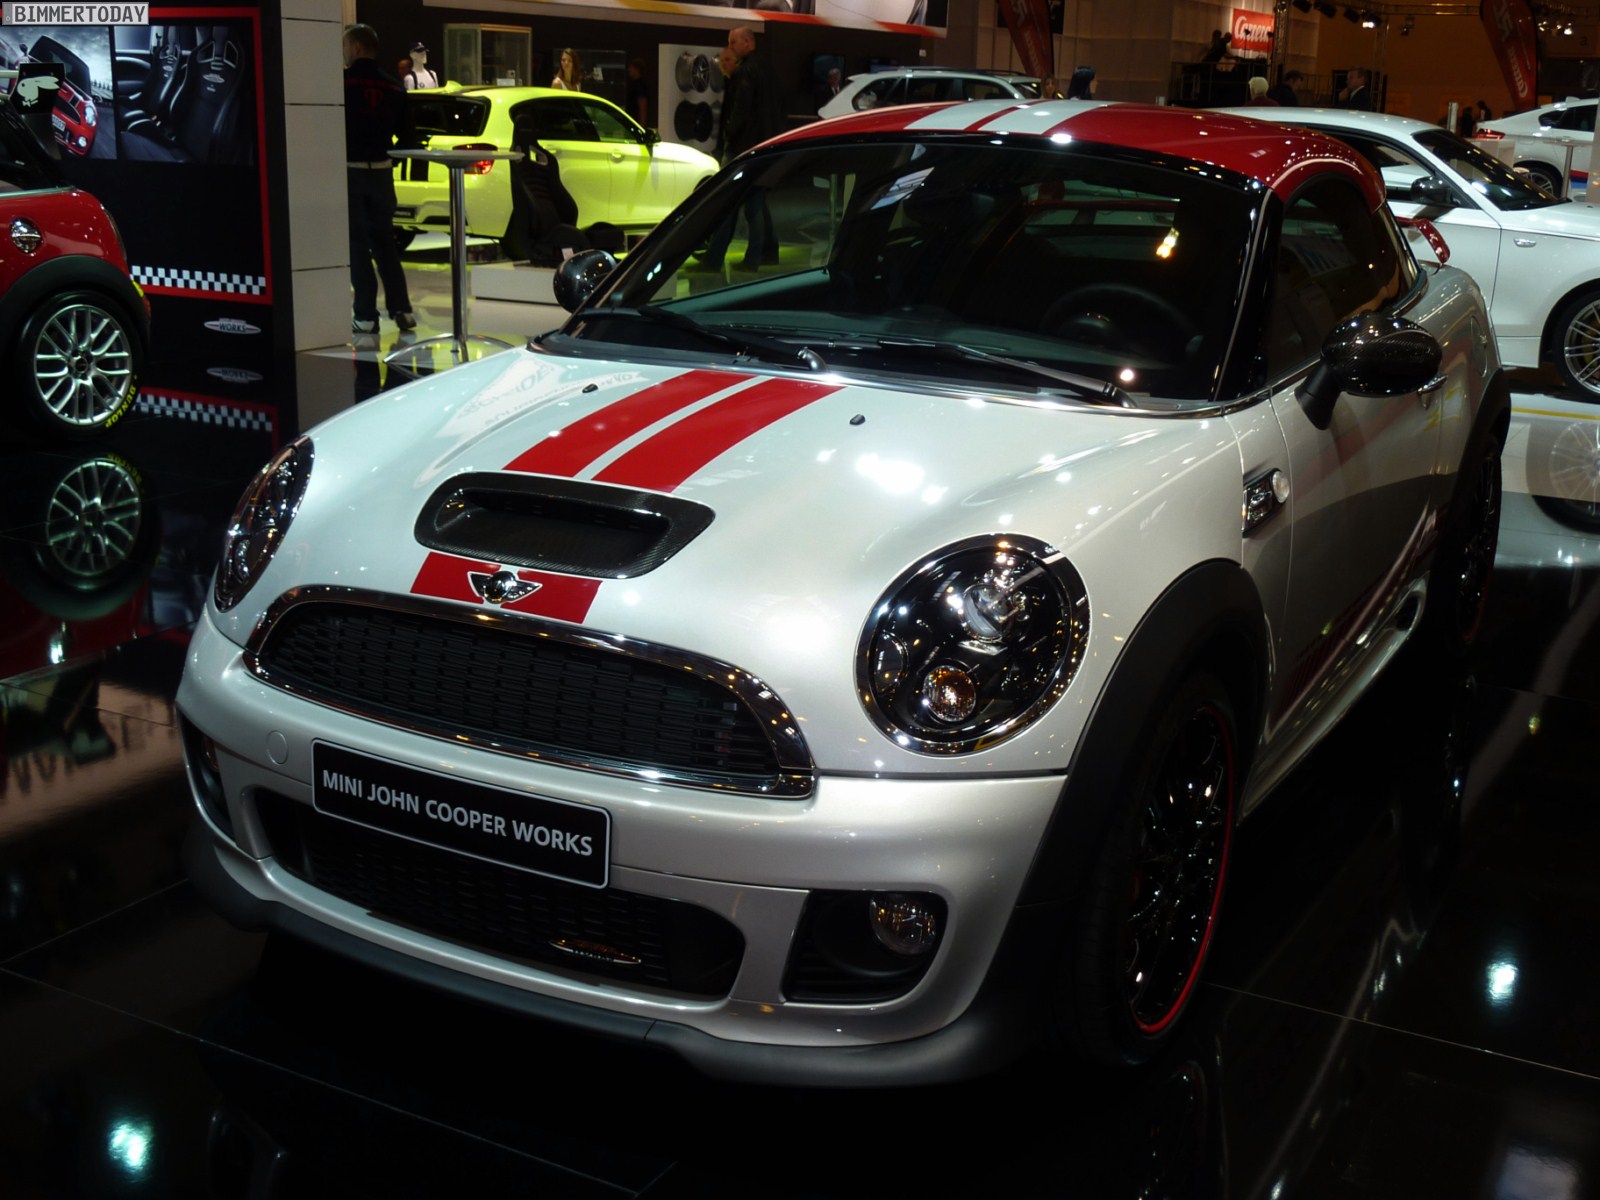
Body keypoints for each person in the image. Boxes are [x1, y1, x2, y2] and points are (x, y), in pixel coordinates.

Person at [342, 23, 414, 336]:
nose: (344, 52)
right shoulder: (394, 86)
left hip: (351, 170)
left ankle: (366, 314)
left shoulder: (342, 84)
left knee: (357, 244)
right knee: (384, 242)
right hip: (383, 172)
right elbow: (408, 135)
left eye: (345, 46)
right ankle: (402, 309)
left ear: (356, 47)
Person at [626, 58, 650, 125]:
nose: (629, 70)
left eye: (631, 67)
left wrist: (641, 125)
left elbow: (642, 105)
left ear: (637, 69)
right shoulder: (634, 84)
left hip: (635, 122)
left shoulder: (640, 85)